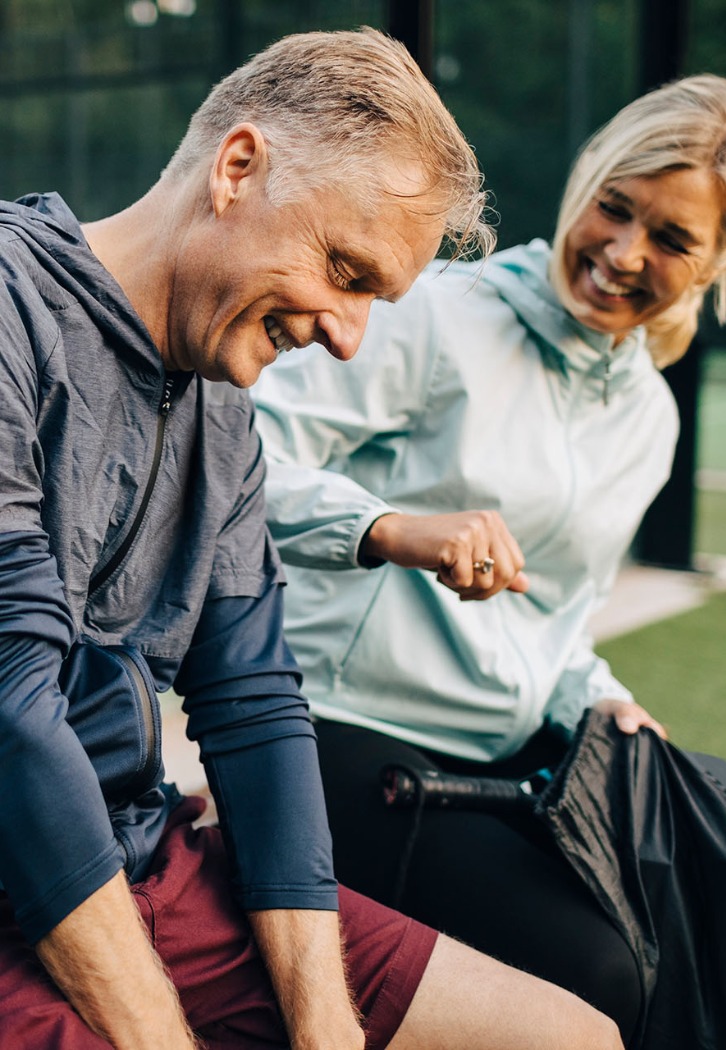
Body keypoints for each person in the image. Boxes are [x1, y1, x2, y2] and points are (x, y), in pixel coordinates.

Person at [0, 27, 626, 1050]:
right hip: (19, 892)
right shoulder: (9, 308)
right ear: (237, 167)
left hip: (144, 863)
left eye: (372, 299)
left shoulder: (225, 416)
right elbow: (10, 716)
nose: (347, 335)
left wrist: (324, 1020)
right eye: (344, 270)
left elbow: (251, 706)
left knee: (569, 1037)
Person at [253, 73, 726, 1046]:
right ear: (583, 183)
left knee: (685, 936)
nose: (621, 255)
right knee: (596, 974)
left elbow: (554, 625)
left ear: (718, 259)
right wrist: (387, 526)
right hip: (336, 732)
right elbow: (239, 459)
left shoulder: (645, 418)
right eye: (612, 209)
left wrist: (602, 698)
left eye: (669, 240)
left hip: (504, 761)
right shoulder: (440, 317)